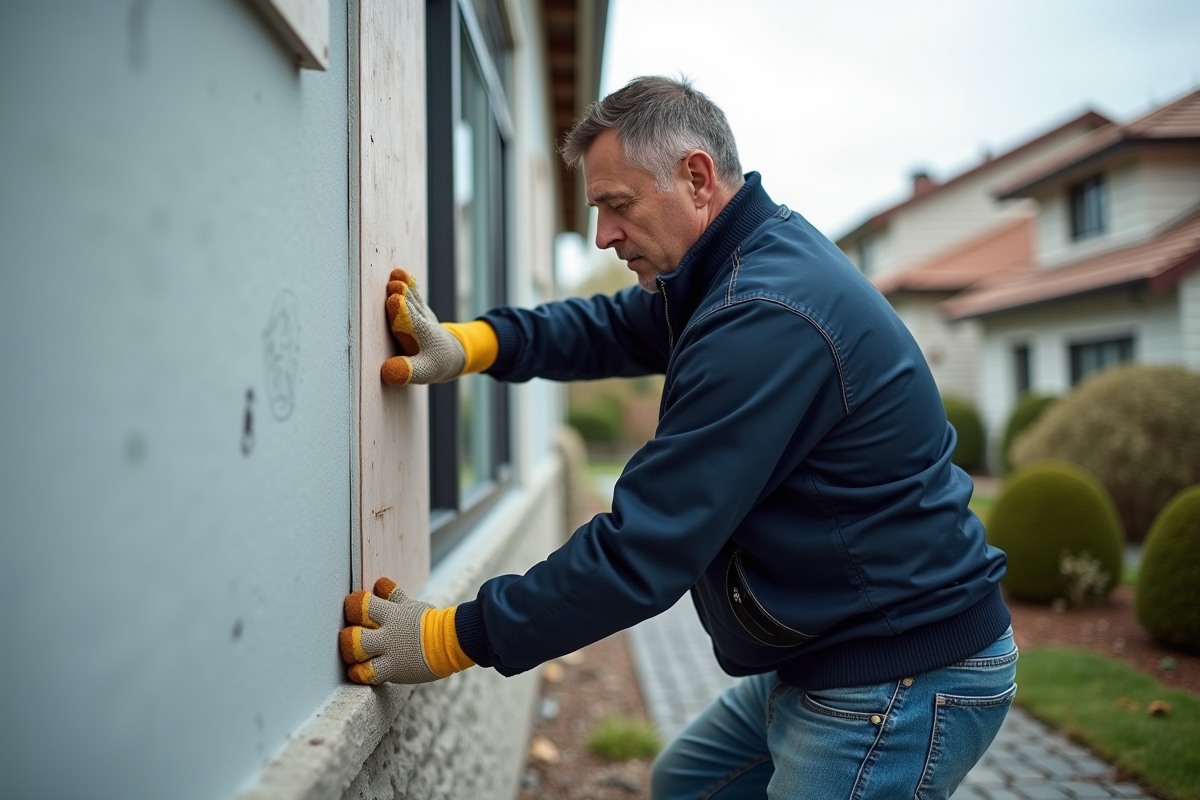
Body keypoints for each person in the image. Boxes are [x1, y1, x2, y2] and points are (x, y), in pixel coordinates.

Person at [339, 76, 1015, 800]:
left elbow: (644, 550)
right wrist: (472, 343)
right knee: (691, 782)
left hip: (896, 672)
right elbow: (607, 327)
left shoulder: (766, 314)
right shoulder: (730, 267)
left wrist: (451, 637)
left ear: (696, 177)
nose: (603, 235)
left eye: (617, 206)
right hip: (838, 646)